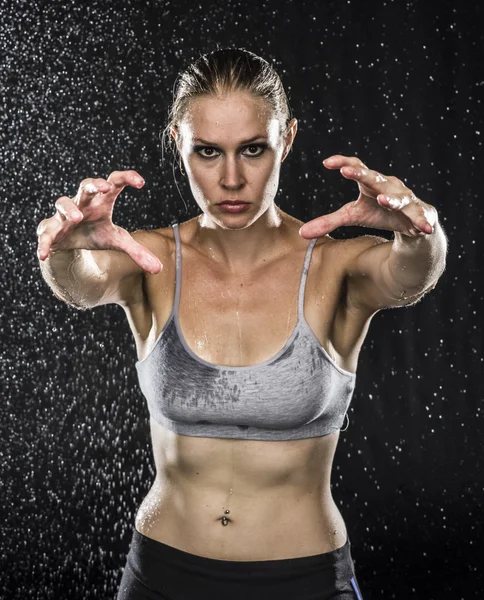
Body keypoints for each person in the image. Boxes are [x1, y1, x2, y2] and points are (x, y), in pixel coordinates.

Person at [36, 48, 447, 600]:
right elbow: (81, 285)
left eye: (254, 149)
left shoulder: (333, 266)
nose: (231, 178)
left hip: (304, 580)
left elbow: (410, 275)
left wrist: (423, 231)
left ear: (289, 138)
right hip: (162, 575)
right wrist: (64, 250)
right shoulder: (149, 259)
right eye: (207, 151)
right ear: (177, 141)